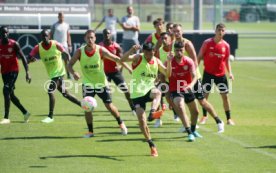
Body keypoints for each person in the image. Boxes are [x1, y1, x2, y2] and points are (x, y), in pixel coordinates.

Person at [67, 29, 128, 138]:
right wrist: (74, 73)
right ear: (85, 38)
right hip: (88, 84)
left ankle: (121, 123)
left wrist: (126, 65)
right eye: (88, 37)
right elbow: (69, 64)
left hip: (101, 83)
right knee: (87, 107)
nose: (90, 39)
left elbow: (115, 58)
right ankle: (90, 132)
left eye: (92, 37)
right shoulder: (79, 52)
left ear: (95, 38)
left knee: (109, 105)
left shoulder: (100, 50)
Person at [173, 23, 224, 132]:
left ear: (182, 32)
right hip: (181, 79)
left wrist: (191, 79)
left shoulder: (187, 44)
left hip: (193, 78)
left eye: (178, 31)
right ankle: (189, 125)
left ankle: (219, 121)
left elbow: (195, 62)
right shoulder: (174, 44)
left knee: (202, 101)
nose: (176, 33)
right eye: (175, 31)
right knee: (183, 102)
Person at [121, 42, 166, 157]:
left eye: (150, 53)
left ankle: (152, 113)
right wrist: (131, 49)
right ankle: (151, 144)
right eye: (146, 53)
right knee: (142, 121)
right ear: (143, 52)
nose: (148, 56)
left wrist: (169, 61)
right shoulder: (138, 58)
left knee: (157, 92)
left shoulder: (156, 61)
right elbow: (122, 60)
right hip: (137, 95)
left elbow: (167, 72)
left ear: (154, 52)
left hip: (149, 90)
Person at [28, 29, 81, 123]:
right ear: (41, 37)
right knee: (66, 94)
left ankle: (50, 116)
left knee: (50, 91)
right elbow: (28, 58)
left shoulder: (55, 44)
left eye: (46, 35)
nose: (45, 37)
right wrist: (30, 60)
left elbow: (66, 54)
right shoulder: (38, 47)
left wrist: (70, 67)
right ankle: (83, 105)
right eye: (43, 36)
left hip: (59, 73)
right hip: (52, 74)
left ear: (50, 36)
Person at [198, 23, 235, 126]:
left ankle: (229, 119)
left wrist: (230, 73)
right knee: (204, 96)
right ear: (215, 31)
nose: (220, 32)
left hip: (221, 75)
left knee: (225, 97)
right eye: (219, 30)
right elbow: (200, 56)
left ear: (225, 32)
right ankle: (204, 116)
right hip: (208, 74)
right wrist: (195, 70)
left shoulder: (226, 45)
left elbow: (227, 61)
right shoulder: (207, 43)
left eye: (223, 30)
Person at [167, 41, 202, 141]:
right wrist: (169, 62)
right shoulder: (169, 61)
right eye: (177, 50)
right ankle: (189, 132)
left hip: (187, 88)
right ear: (174, 51)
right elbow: (168, 75)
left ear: (184, 50)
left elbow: (195, 76)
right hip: (175, 90)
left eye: (181, 50)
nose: (179, 52)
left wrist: (191, 85)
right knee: (181, 106)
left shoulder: (189, 61)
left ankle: (193, 130)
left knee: (195, 112)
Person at [99, 29, 136, 115]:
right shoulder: (100, 47)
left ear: (111, 34)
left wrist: (128, 68)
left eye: (108, 33)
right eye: (105, 34)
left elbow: (121, 60)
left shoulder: (116, 46)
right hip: (105, 73)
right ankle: (112, 109)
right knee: (108, 92)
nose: (107, 35)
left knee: (126, 91)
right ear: (103, 35)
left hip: (115, 72)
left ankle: (133, 108)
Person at [0, 26, 31, 124]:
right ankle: (25, 112)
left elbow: (23, 57)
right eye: (3, 33)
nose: (5, 34)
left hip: (13, 71)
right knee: (11, 95)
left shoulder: (14, 44)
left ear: (8, 33)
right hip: (4, 72)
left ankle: (6, 117)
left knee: (5, 90)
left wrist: (27, 72)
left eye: (6, 33)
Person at [50, 12, 72, 79]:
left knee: (67, 60)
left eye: (62, 17)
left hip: (64, 45)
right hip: (56, 46)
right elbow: (50, 35)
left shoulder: (67, 25)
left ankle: (68, 74)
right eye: (60, 17)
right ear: (58, 17)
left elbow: (68, 35)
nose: (61, 18)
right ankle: (58, 75)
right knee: (56, 61)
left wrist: (69, 45)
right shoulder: (54, 25)